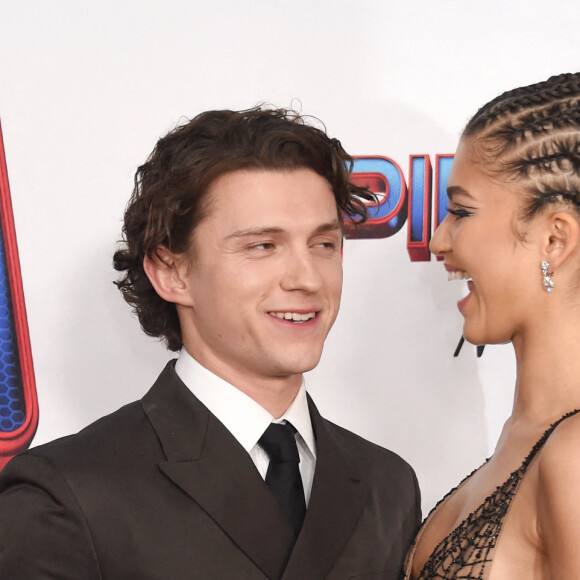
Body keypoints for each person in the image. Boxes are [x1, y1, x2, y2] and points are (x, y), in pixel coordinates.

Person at [0, 106, 420, 579]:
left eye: (324, 244)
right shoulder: (68, 494)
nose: (308, 278)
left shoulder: (387, 485)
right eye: (263, 246)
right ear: (171, 271)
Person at [404, 72, 580, 579]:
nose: (439, 240)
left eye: (461, 211)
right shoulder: (521, 436)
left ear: (554, 240)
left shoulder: (573, 454)